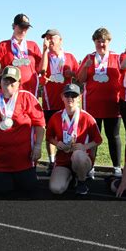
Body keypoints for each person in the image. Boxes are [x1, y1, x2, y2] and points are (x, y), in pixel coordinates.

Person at [0, 66, 46, 197]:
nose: (9, 84)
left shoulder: (27, 98)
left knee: (29, 189)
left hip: (24, 160)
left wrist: (37, 146)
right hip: (0, 161)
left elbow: (40, 124)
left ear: (19, 83)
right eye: (5, 80)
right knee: (2, 190)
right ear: (0, 82)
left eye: (12, 81)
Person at [77, 27, 122, 177]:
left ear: (109, 42)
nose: (101, 45)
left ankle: (117, 167)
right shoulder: (88, 57)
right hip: (92, 105)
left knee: (113, 136)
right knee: (92, 137)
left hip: (112, 105)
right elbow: (80, 79)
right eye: (98, 42)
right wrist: (85, 67)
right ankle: (90, 166)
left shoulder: (117, 57)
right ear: (94, 42)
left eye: (104, 41)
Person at [46, 84, 103, 195]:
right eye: (67, 95)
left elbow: (98, 140)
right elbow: (48, 137)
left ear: (79, 98)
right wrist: (57, 143)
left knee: (78, 155)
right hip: (63, 160)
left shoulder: (87, 117)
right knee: (56, 189)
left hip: (81, 159)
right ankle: (72, 177)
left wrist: (84, 147)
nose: (70, 98)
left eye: (74, 95)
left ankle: (82, 181)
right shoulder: (56, 117)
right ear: (62, 97)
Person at [39, 29, 79, 175]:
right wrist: (43, 52)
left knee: (71, 131)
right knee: (51, 134)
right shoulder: (44, 56)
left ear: (60, 40)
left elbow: (79, 76)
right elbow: (41, 72)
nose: (49, 41)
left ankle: (71, 160)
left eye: (51, 38)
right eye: (46, 39)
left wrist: (72, 74)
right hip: (49, 102)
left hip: (67, 103)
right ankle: (51, 161)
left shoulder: (69, 56)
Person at [0, 14, 42, 96]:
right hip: (10, 89)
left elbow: (39, 69)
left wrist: (45, 50)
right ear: (13, 26)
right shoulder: (3, 45)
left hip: (31, 89)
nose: (23, 31)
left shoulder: (33, 45)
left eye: (26, 28)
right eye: (21, 27)